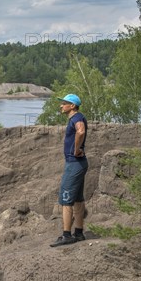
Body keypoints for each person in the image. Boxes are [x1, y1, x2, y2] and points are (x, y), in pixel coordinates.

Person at [50, 94, 88, 247]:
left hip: (74, 164)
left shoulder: (76, 118)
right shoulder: (76, 117)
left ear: (72, 106)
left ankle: (67, 235)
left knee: (66, 200)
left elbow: (81, 131)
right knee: (78, 199)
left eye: (64, 103)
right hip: (79, 163)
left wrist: (77, 149)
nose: (61, 105)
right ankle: (78, 233)